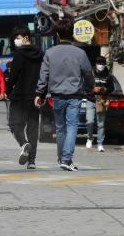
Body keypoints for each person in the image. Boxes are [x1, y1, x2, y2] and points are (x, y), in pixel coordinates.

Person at [35, 18, 94, 171]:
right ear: (73, 34)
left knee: (60, 128)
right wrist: (90, 88)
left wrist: (39, 94)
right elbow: (88, 74)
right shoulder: (80, 53)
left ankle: (62, 158)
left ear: (58, 35)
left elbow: (44, 76)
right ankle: (67, 159)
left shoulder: (49, 53)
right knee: (72, 125)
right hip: (74, 95)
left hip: (57, 96)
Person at [7, 26, 43, 169]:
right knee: (33, 128)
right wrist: (41, 94)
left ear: (26, 37)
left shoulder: (19, 54)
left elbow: (13, 75)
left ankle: (23, 144)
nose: (16, 40)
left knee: (14, 124)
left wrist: (8, 90)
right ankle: (32, 161)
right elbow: (43, 75)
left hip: (20, 96)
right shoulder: (40, 53)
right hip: (35, 97)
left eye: (18, 37)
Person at [85, 56, 114, 152]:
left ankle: (100, 143)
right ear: (96, 64)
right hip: (91, 100)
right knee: (89, 120)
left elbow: (111, 88)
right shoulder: (90, 74)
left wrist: (105, 90)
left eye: (102, 64)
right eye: (99, 63)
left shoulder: (108, 76)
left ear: (105, 65)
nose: (101, 66)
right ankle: (89, 138)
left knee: (101, 123)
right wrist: (93, 89)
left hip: (101, 101)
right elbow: (84, 87)